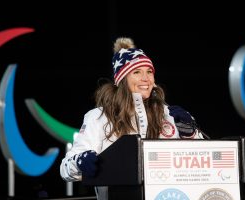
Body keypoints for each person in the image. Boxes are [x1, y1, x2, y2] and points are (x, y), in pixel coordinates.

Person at [60, 37, 206, 199]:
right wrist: (80, 161)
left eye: (149, 72)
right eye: (137, 72)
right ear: (122, 80)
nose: (146, 78)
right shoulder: (99, 117)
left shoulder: (171, 114)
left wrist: (190, 133)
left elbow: (205, 161)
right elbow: (65, 169)